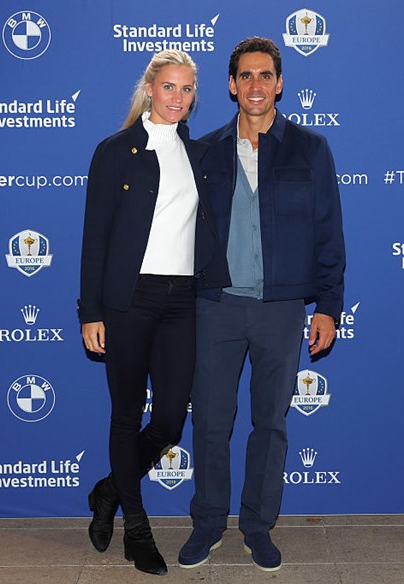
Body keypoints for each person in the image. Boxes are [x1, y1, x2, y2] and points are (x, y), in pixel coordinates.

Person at [178, 37, 346, 572]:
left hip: (281, 309)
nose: (255, 85)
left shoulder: (310, 149)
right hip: (216, 306)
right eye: (245, 76)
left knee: (270, 423)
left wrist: (329, 307)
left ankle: (257, 526)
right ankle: (208, 524)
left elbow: (329, 234)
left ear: (279, 83)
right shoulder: (202, 152)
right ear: (231, 85)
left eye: (265, 75)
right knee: (209, 422)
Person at [79, 49, 228, 576]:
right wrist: (89, 311)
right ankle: (136, 528)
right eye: (169, 87)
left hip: (181, 299)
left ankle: (108, 491)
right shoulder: (115, 151)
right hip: (128, 300)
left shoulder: (197, 150)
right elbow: (94, 238)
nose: (179, 98)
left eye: (188, 89)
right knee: (126, 415)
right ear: (150, 88)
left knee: (167, 419)